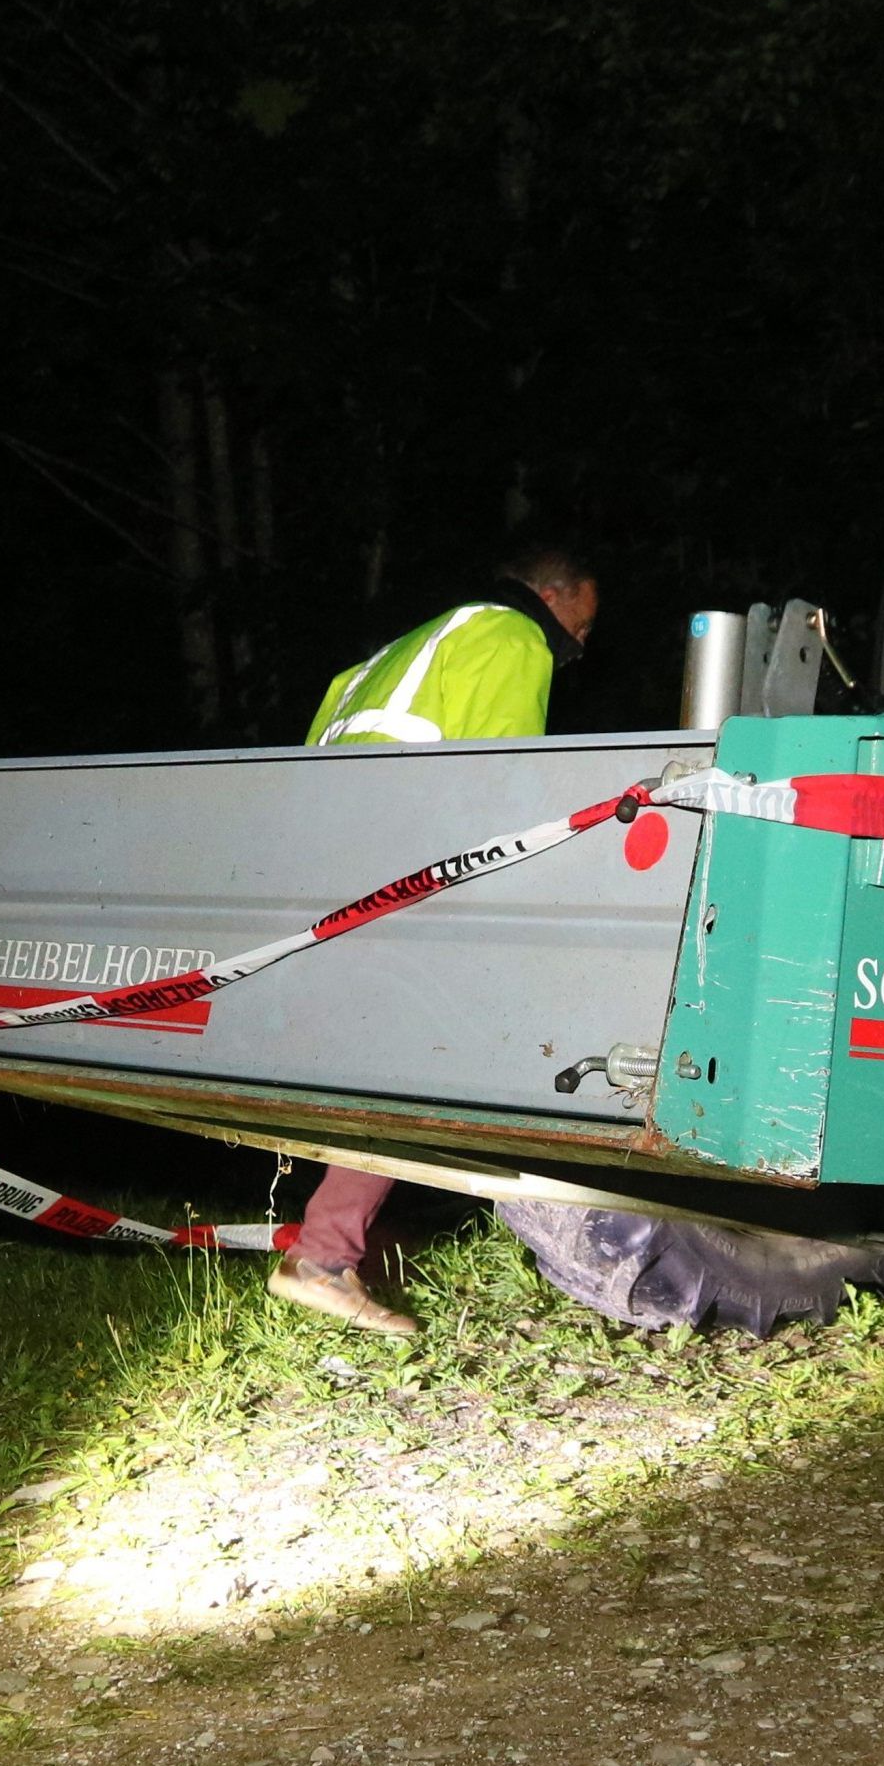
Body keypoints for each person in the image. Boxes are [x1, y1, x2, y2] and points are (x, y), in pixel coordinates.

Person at [276, 544, 601, 1336]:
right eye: (584, 618)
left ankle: (321, 1250)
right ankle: (322, 1256)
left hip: (326, 864)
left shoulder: (391, 653)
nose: (583, 642)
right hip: (405, 863)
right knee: (424, 1056)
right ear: (553, 594)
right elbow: (504, 777)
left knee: (392, 1058)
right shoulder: (511, 635)